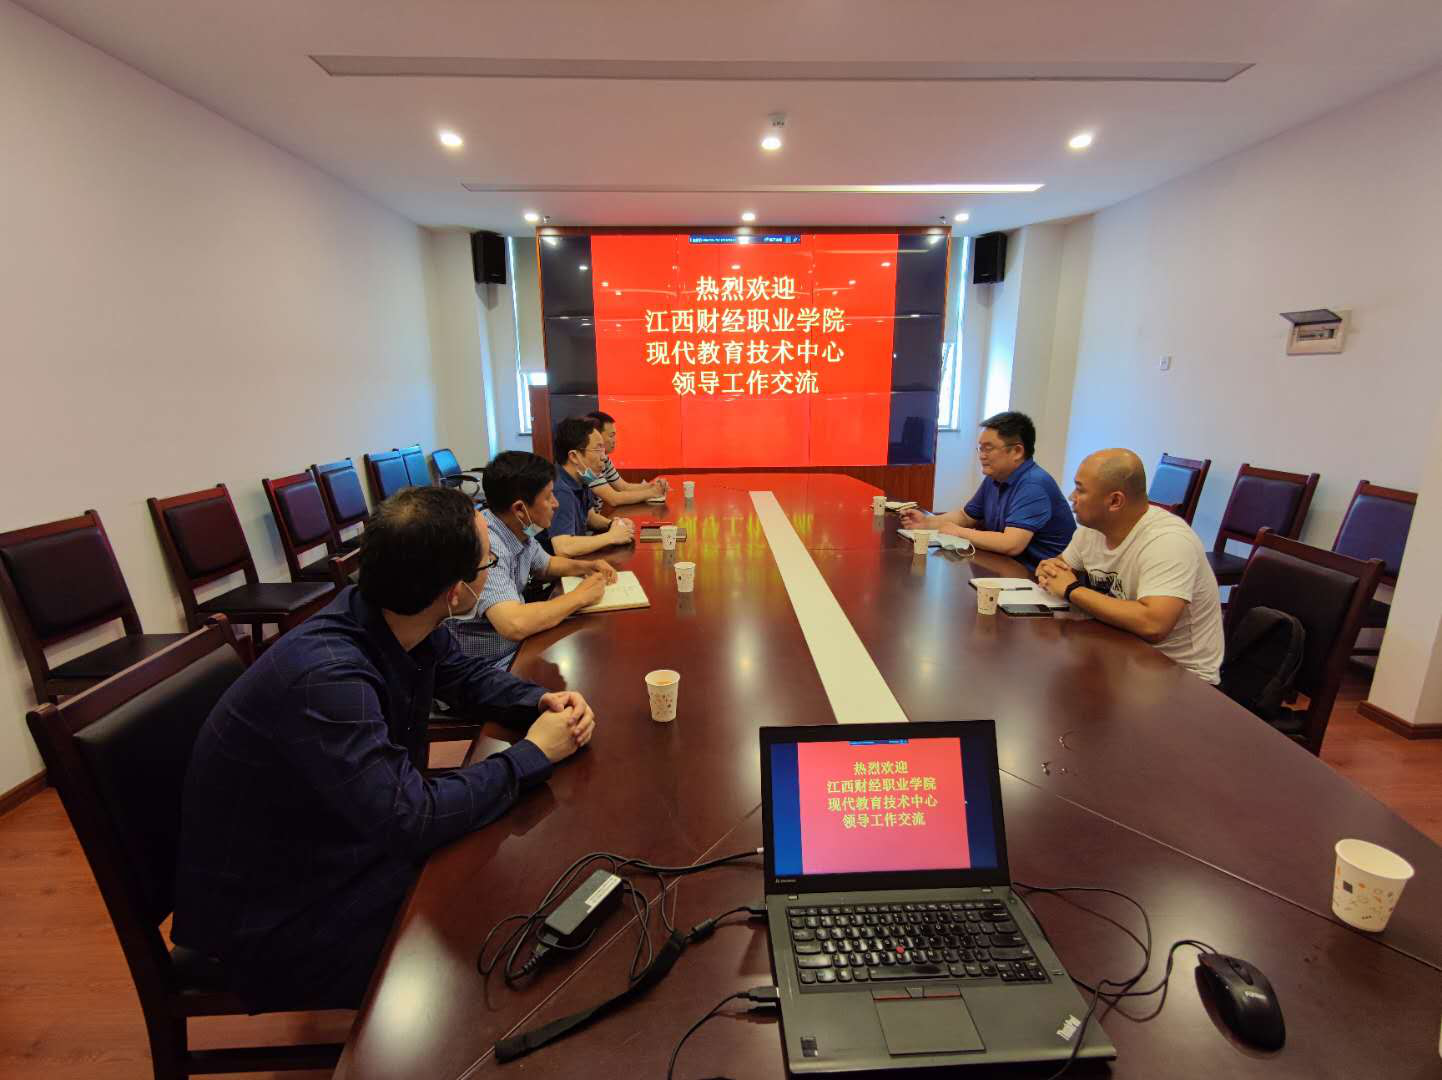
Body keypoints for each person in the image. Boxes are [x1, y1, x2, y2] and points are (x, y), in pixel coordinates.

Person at [172, 486, 597, 1011]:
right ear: (455, 593)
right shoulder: (328, 677)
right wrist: (533, 754)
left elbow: (464, 676)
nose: (491, 572)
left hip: (342, 842)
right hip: (280, 916)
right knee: (496, 948)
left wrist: (538, 702)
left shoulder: (393, 614)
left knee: (508, 876)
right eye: (487, 564)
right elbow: (410, 818)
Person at [1036, 448, 1224, 684]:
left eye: (1080, 489)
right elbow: (1061, 568)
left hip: (1181, 675)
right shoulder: (1092, 528)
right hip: (1122, 650)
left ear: (1115, 501)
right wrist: (1049, 570)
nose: (1071, 496)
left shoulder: (1168, 541)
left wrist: (1072, 590)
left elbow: (1154, 624)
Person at [449, 450, 619, 666]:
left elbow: (546, 565)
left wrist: (587, 566)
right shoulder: (488, 545)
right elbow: (514, 624)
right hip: (492, 665)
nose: (556, 504)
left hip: (520, 648)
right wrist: (581, 596)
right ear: (520, 509)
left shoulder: (518, 527)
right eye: (548, 497)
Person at [901, 411, 1075, 569]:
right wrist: (926, 523)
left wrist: (959, 532)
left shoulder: (1034, 484)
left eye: (988, 448)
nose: (982, 455)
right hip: (1006, 567)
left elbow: (1011, 544)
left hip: (1039, 577)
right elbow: (966, 516)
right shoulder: (995, 477)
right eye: (980, 448)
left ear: (1017, 451)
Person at [550, 416, 635, 556]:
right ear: (574, 456)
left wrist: (613, 524)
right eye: (598, 450)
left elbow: (589, 517)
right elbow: (563, 547)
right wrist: (611, 537)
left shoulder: (582, 479)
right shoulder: (560, 490)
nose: (604, 457)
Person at [583, 410, 668, 507]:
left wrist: (652, 486)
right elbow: (613, 498)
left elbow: (623, 487)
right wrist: (653, 492)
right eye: (611, 436)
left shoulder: (604, 459)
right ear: (595, 435)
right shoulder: (588, 464)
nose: (615, 440)